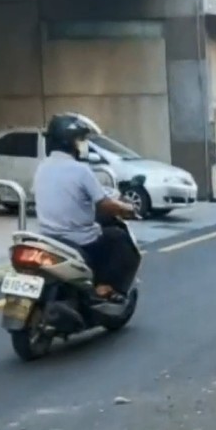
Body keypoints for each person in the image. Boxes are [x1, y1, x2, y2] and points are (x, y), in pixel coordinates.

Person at [32, 112, 139, 302]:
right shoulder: (81, 170)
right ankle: (104, 287)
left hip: (48, 237)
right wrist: (127, 209)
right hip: (78, 239)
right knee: (119, 239)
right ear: (68, 141)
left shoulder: (42, 167)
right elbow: (104, 204)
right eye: (79, 139)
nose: (83, 143)